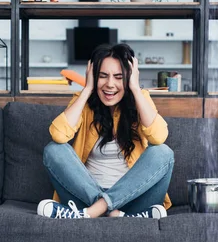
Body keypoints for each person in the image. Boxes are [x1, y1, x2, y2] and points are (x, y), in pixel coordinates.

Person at [37, 43, 174, 219]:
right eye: (103, 76)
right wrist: (87, 89)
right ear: (94, 77)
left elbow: (158, 136)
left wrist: (135, 88)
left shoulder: (141, 99)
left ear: (129, 77)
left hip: (133, 201)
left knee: (163, 152)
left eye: (119, 77)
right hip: (86, 199)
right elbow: (58, 135)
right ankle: (111, 212)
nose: (110, 84)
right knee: (53, 149)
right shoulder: (84, 102)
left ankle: (98, 210)